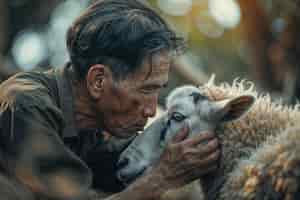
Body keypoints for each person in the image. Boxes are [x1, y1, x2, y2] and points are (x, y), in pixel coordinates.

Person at [0, 0, 220, 199]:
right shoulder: (26, 106)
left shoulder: (92, 124)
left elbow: (117, 167)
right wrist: (161, 178)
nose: (152, 110)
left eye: (157, 90)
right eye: (146, 90)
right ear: (98, 81)